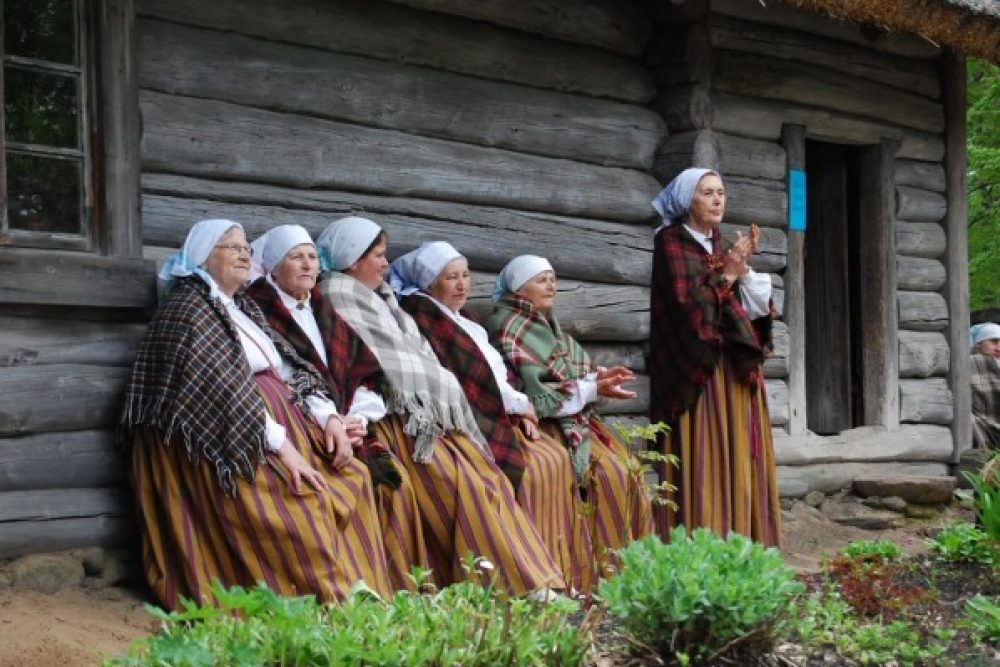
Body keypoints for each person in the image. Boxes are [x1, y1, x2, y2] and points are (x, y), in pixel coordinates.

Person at [120, 219, 391, 610]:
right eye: (231, 247)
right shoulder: (189, 311)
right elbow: (220, 392)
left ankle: (362, 594)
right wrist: (283, 447)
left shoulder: (243, 306)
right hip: (226, 439)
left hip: (274, 419)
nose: (244, 253)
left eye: (246, 247)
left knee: (353, 477)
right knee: (301, 501)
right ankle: (320, 606)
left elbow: (291, 368)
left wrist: (328, 416)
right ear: (202, 258)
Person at [315, 216, 565, 596]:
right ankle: (504, 585)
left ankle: (532, 577)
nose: (385, 263)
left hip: (428, 415)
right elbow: (371, 364)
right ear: (352, 260)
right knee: (466, 487)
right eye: (378, 256)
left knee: (488, 477)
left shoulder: (383, 299)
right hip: (399, 421)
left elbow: (417, 355)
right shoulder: (339, 295)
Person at [390, 241, 595, 592]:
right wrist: (519, 406)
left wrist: (524, 407)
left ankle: (562, 571)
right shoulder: (425, 316)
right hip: (474, 418)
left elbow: (501, 374)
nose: (462, 285)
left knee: (555, 459)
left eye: (466, 275)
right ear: (428, 284)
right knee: (530, 471)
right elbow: (469, 380)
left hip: (504, 410)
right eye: (451, 277)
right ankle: (528, 576)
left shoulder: (463, 318)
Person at [244, 224, 429, 592]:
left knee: (396, 486)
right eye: (296, 257)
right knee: (351, 485)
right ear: (274, 268)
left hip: (345, 423)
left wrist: (359, 417)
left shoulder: (322, 308)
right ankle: (355, 587)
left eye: (311, 257)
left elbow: (364, 373)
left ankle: (400, 586)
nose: (307, 265)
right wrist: (330, 419)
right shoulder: (261, 309)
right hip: (304, 423)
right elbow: (289, 377)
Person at [487, 255, 653, 573]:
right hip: (540, 425)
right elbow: (537, 391)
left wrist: (600, 380)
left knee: (625, 469)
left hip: (572, 419)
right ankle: (592, 571)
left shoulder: (551, 326)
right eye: (541, 279)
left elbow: (573, 373)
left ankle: (624, 570)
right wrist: (591, 389)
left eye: (553, 278)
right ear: (519, 289)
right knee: (605, 475)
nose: (551, 285)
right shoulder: (510, 325)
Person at [648, 167, 781, 547]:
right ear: (688, 200)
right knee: (705, 452)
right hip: (696, 372)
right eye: (707, 193)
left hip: (732, 368)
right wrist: (728, 276)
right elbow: (688, 312)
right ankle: (702, 538)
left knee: (738, 452)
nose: (718, 199)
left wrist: (742, 274)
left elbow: (746, 308)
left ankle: (744, 539)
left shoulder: (722, 247)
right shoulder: (671, 242)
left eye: (721, 192)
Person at [970, 322, 1000, 450]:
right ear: (978, 344)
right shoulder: (969, 363)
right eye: (993, 342)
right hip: (980, 427)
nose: (999, 348)